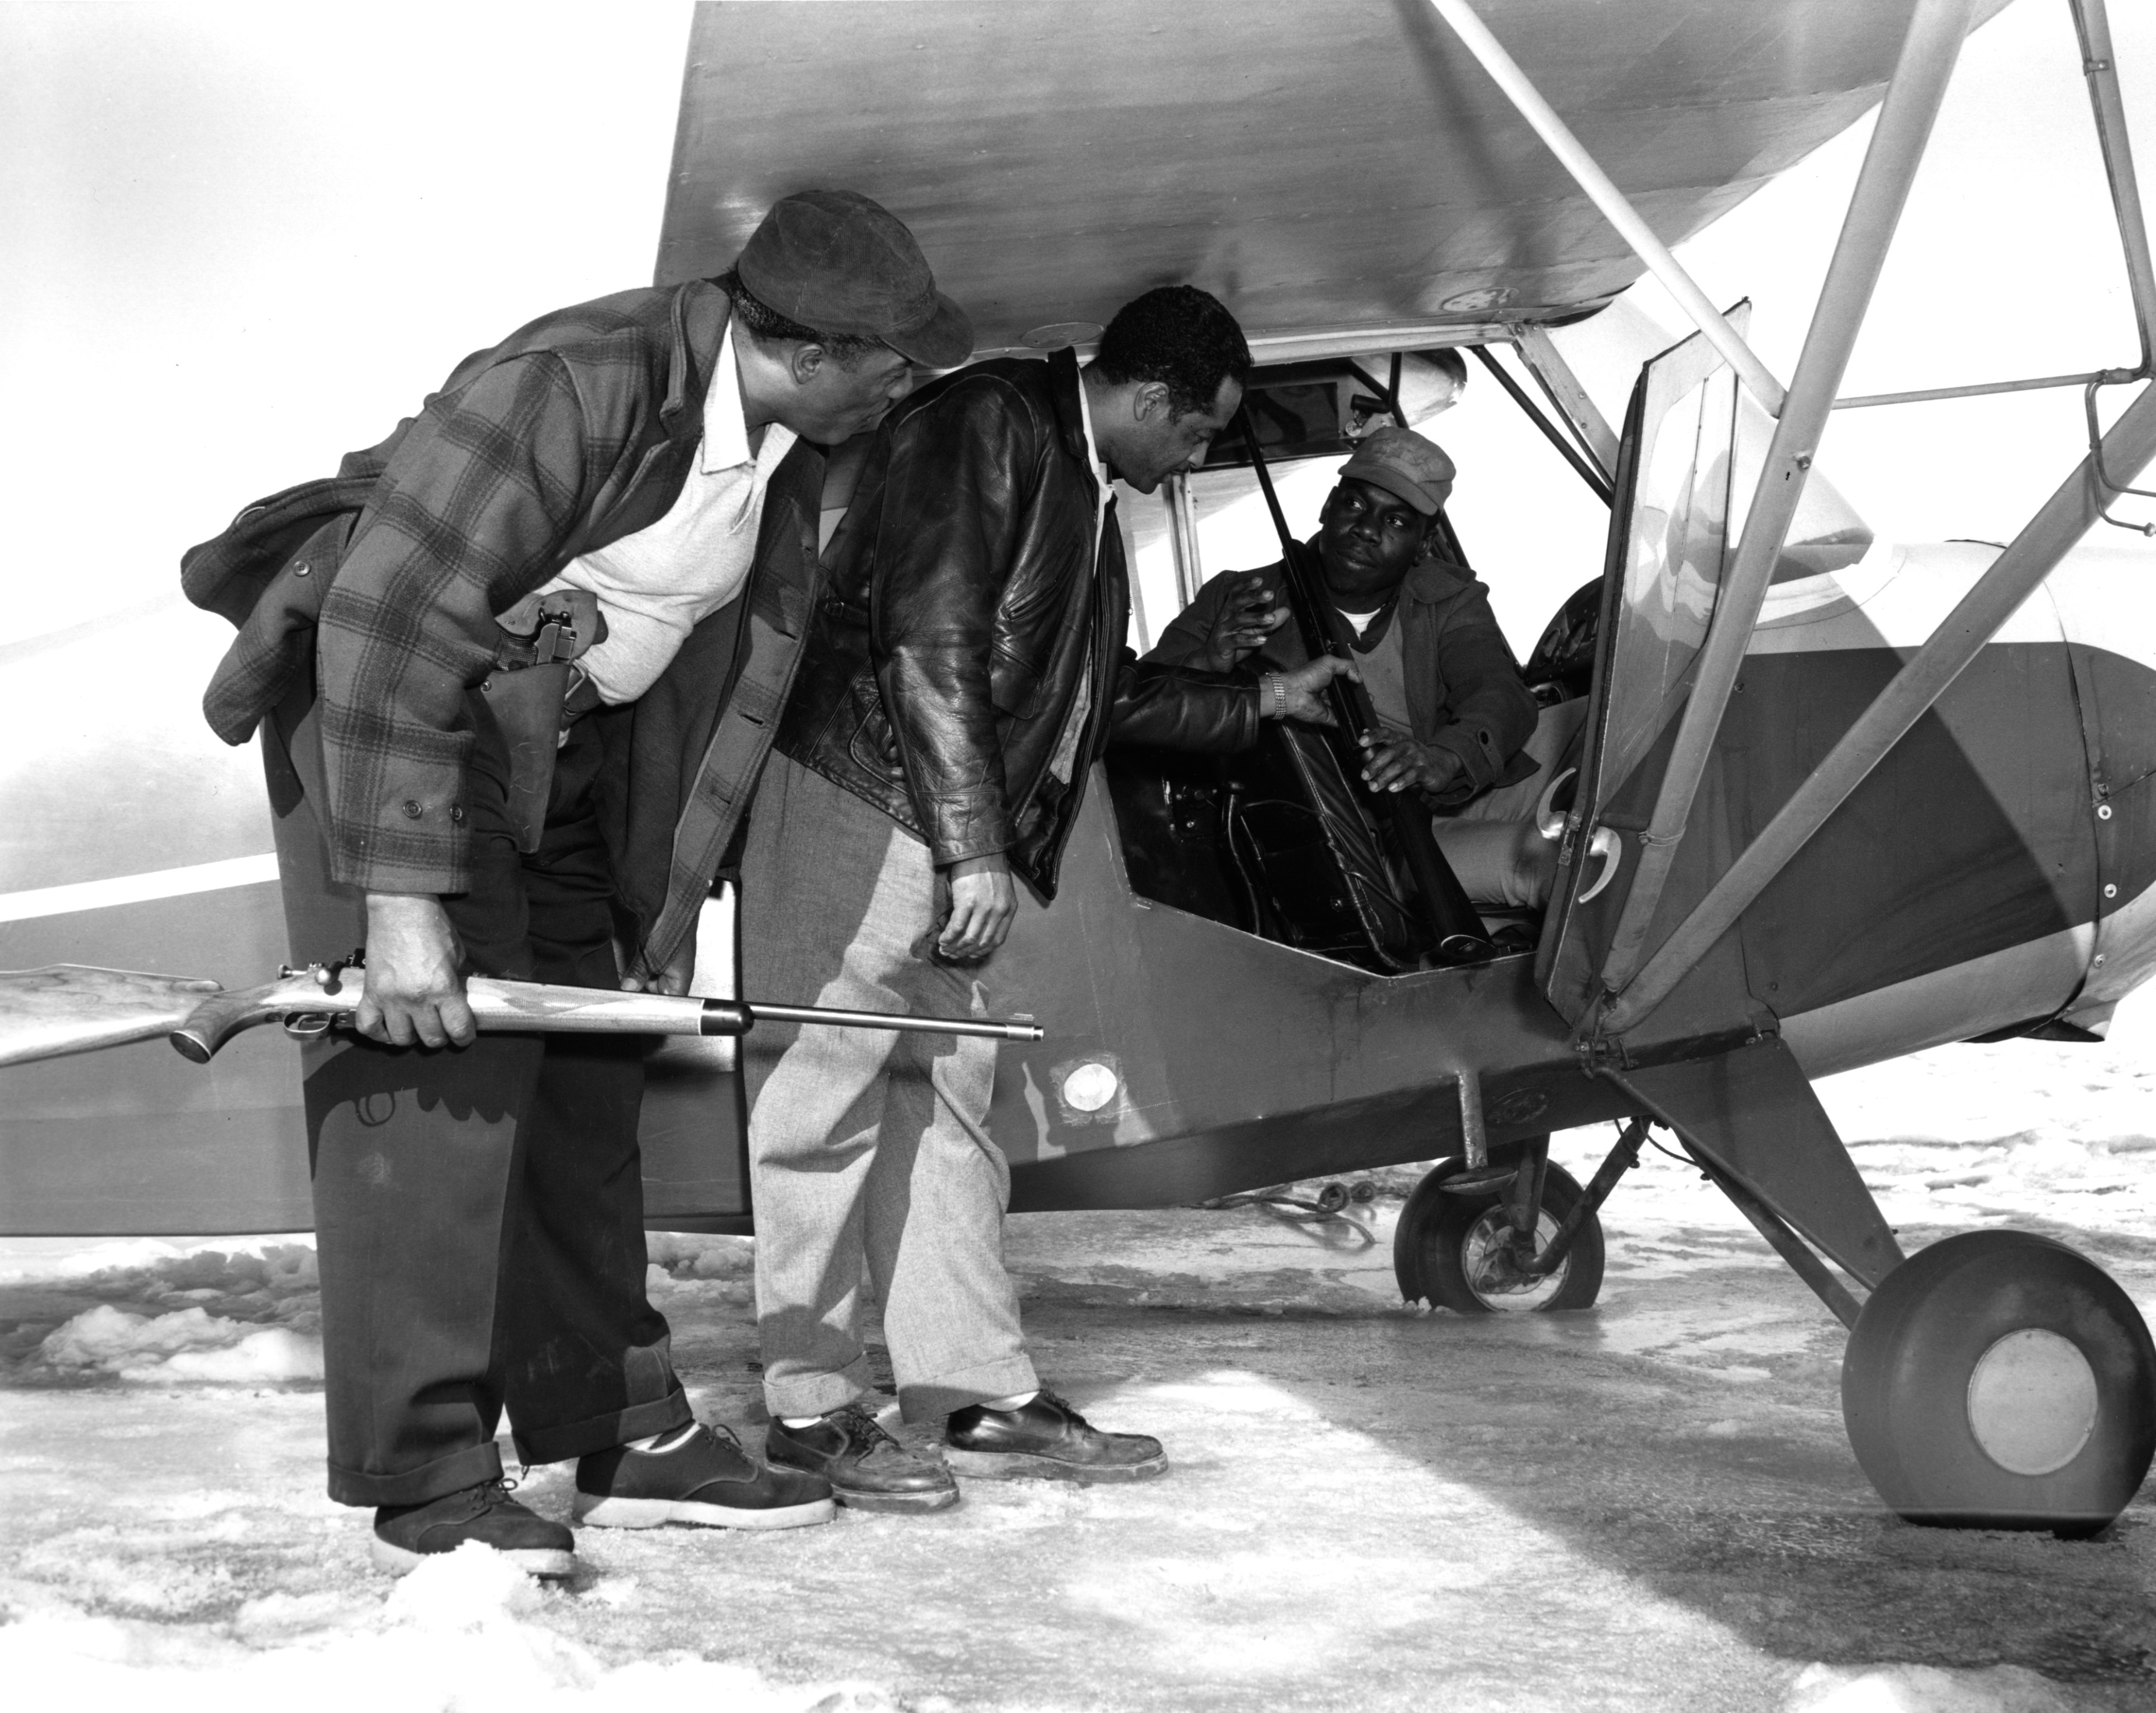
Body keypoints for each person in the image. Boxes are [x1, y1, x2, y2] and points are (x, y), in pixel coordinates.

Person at [181, 190, 969, 1577]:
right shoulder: (577, 381)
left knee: (583, 1084)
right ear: (813, 350)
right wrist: (405, 904)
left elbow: (704, 697)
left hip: (557, 749)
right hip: (407, 739)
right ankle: (424, 1477)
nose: (907, 386)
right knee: (436, 1091)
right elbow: (391, 616)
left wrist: (649, 915)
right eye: (894, 362)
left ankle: (613, 1427)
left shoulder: (776, 437)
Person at [739, 285, 1351, 1511]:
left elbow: (1090, 696)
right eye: (1196, 434)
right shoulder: (993, 427)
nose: (1194, 462)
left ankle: (972, 1391)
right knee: (821, 1101)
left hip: (943, 816)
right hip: (864, 800)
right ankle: (812, 1407)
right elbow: (928, 641)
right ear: (1153, 398)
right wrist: (971, 848)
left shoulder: (1071, 481)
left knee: (947, 1102)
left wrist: (1257, 708)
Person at [1145, 424, 1574, 909]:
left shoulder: (1449, 598)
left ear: (1424, 542)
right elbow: (1139, 703)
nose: (1367, 529)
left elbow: (1498, 693)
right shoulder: (1237, 598)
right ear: (1328, 506)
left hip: (1459, 784)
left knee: (1606, 717)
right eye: (1355, 505)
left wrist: (1442, 757)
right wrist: (1211, 660)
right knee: (1549, 865)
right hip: (1369, 839)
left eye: (1396, 522)